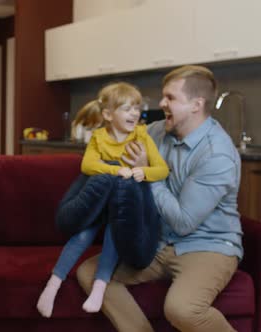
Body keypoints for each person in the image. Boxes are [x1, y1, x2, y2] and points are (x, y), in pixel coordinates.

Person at [77, 65, 243, 332]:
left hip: (207, 245)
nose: (161, 103)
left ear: (195, 105)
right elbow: (116, 139)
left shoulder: (217, 155)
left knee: (181, 309)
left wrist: (147, 173)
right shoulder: (156, 133)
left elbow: (183, 222)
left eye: (170, 98)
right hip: (157, 241)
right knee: (91, 272)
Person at [36, 82, 169, 318]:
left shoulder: (141, 136)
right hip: (101, 201)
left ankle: (99, 287)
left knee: (114, 235)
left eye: (136, 108)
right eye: (127, 108)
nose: (135, 114)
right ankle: (53, 285)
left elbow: (162, 169)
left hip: (125, 203)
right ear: (108, 114)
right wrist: (115, 169)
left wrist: (142, 171)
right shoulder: (99, 137)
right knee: (82, 235)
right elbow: (87, 165)